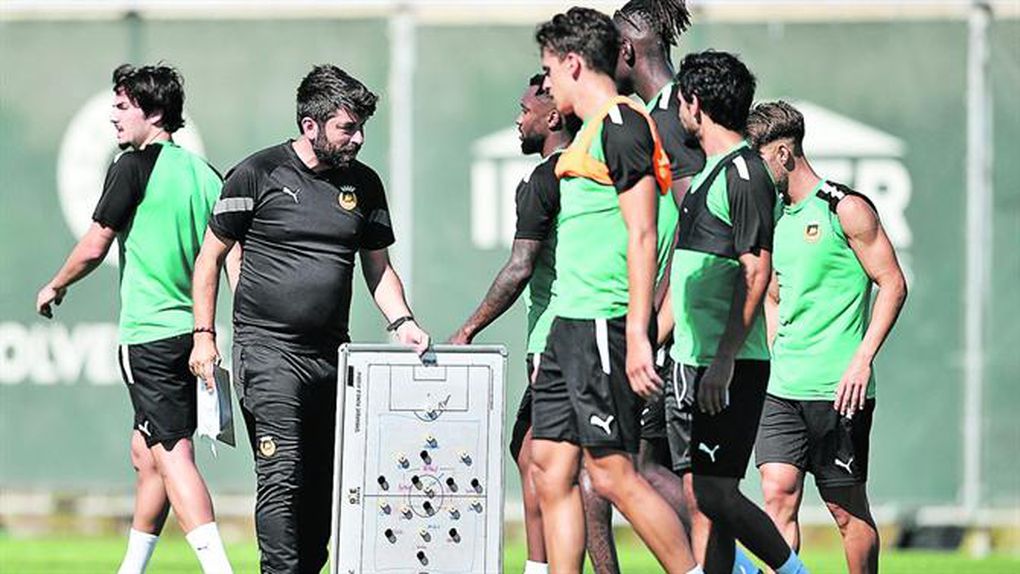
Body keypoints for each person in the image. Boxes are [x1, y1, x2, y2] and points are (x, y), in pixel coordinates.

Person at [188, 64, 430, 574]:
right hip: (266, 353)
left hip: (330, 359)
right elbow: (210, 258)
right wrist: (204, 336)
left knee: (322, 483)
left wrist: (403, 322)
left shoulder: (364, 184)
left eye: (361, 128)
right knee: (283, 473)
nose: (357, 139)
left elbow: (379, 268)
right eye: (347, 128)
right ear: (310, 125)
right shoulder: (257, 174)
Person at [35, 64, 233, 574]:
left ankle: (219, 569)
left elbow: (95, 245)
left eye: (124, 106)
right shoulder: (205, 175)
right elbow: (232, 256)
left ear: (156, 113)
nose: (114, 116)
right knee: (146, 455)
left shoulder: (131, 166)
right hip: (192, 338)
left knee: (173, 454)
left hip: (149, 336)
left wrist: (56, 283)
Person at [532, 8, 699, 573]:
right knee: (549, 467)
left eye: (549, 71)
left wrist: (637, 336)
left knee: (611, 474)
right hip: (569, 326)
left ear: (573, 64)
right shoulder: (589, 132)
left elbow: (644, 232)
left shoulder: (623, 125)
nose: (547, 84)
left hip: (605, 323)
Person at [747, 101, 907, 574]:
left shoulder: (846, 208)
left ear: (783, 154)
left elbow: (892, 283)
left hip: (838, 390)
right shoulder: (772, 217)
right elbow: (773, 297)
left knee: (845, 510)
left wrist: (862, 359)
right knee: (777, 494)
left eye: (758, 160)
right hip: (782, 389)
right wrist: (772, 357)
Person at [672, 50, 807, 574]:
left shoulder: (745, 173)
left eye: (680, 102)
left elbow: (756, 269)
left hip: (726, 365)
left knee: (716, 492)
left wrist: (724, 359)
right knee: (701, 494)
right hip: (691, 359)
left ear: (694, 103)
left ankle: (794, 572)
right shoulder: (709, 172)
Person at [449, 73, 576, 574]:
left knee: (602, 476)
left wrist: (467, 330)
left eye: (525, 111)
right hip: (562, 339)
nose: (518, 121)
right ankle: (538, 566)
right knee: (527, 451)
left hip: (557, 343)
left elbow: (520, 267)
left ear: (553, 117)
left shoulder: (548, 177)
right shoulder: (573, 172)